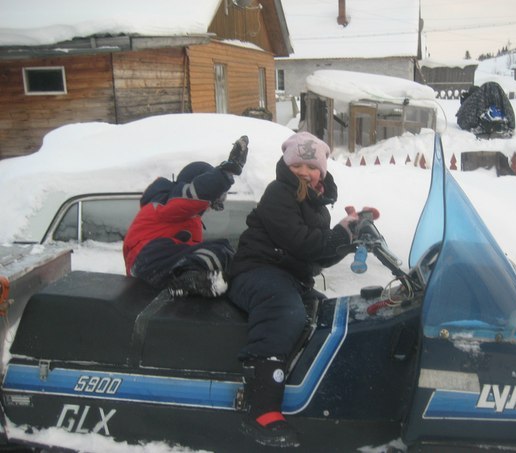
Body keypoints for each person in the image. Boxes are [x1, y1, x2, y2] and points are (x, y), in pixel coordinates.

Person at [228, 131, 362, 447]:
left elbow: (319, 255)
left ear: (322, 172)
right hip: (255, 271)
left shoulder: (318, 206)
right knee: (284, 311)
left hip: (290, 278)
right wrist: (339, 236)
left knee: (327, 315)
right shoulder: (279, 193)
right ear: (286, 166)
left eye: (312, 166)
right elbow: (299, 241)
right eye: (297, 165)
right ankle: (261, 406)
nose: (304, 171)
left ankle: (313, 390)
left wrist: (351, 234)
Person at [123, 136, 248, 298]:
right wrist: (226, 173)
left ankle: (190, 281)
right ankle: (187, 278)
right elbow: (196, 194)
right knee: (221, 250)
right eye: (214, 199)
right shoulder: (165, 201)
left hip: (158, 266)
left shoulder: (189, 217)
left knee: (222, 254)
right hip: (149, 258)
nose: (210, 207)